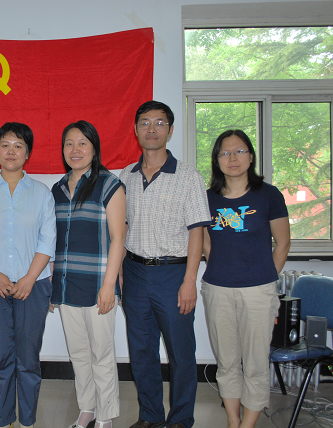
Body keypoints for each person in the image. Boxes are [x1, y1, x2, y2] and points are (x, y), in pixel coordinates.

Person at [119, 101, 211, 428]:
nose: (152, 129)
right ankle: (150, 416)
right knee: (141, 351)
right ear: (136, 130)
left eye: (159, 123)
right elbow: (121, 228)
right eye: (145, 122)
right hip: (134, 272)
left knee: (180, 353)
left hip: (174, 274)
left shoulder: (188, 176)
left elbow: (197, 231)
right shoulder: (126, 176)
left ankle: (181, 419)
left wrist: (189, 281)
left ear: (170, 131)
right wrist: (120, 272)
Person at [0, 122, 56, 428]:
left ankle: (27, 421)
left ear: (27, 153)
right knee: (2, 356)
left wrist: (29, 278)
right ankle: (5, 420)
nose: (11, 151)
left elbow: (48, 240)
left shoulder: (41, 193)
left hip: (34, 284)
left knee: (28, 358)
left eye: (18, 146)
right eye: (5, 145)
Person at [201, 130, 290, 428]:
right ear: (217, 160)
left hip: (258, 291)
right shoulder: (208, 198)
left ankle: (248, 425)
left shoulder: (269, 195)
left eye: (239, 151)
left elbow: (283, 243)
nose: (232, 158)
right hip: (217, 289)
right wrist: (221, 268)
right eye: (225, 153)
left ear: (251, 157)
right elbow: (206, 242)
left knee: (255, 363)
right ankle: (232, 420)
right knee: (226, 362)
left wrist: (265, 278)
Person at [51, 121, 126, 428]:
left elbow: (118, 238)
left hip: (98, 284)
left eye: (82, 143)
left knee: (102, 354)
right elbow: (53, 241)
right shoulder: (57, 189)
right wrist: (53, 284)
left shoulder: (109, 184)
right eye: (69, 143)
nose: (75, 149)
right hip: (66, 284)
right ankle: (87, 409)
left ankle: (106, 416)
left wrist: (110, 285)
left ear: (94, 148)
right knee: (79, 353)